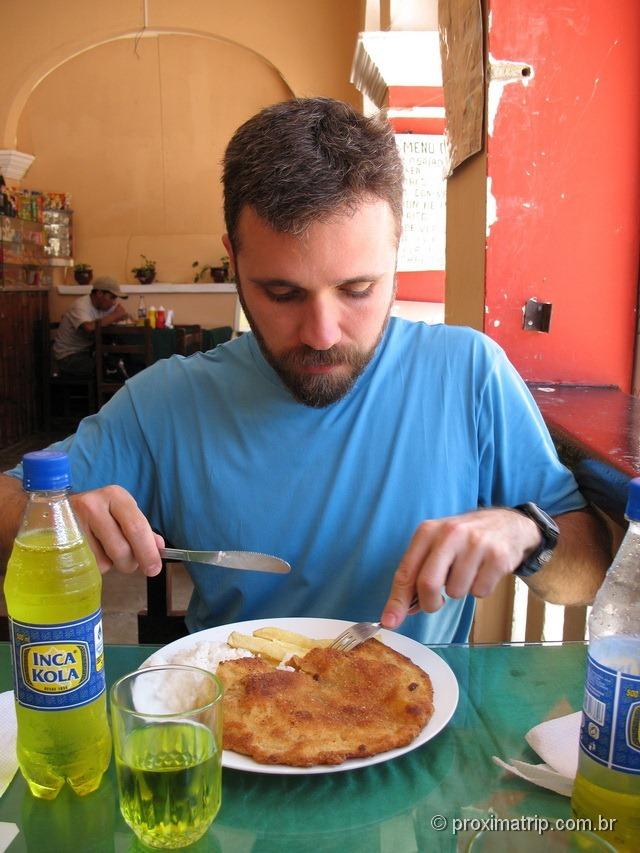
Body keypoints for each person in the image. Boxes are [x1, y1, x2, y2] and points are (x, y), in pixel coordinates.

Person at [0, 98, 609, 643]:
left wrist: (525, 533)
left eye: (358, 289)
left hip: (420, 721)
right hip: (237, 724)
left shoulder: (468, 374)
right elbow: (8, 502)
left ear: (397, 248)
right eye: (282, 293)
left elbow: (585, 577)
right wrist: (53, 519)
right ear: (233, 257)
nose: (322, 333)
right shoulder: (169, 401)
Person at [52, 276, 130, 377]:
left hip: (88, 353)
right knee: (110, 368)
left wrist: (122, 315)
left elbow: (123, 315)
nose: (114, 302)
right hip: (68, 357)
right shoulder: (80, 305)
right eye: (112, 297)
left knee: (122, 359)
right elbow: (88, 327)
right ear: (99, 294)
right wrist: (115, 316)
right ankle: (107, 392)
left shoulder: (104, 305)